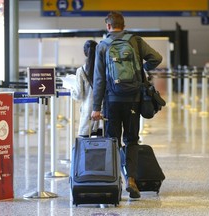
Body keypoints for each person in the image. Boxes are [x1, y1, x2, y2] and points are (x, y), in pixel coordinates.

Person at [91, 11, 162, 199]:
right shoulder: (135, 41)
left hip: (112, 101)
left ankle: (115, 182)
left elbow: (99, 80)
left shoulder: (103, 46)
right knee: (131, 140)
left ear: (108, 26)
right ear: (123, 24)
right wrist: (141, 70)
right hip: (133, 99)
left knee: (113, 140)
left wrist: (96, 108)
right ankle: (131, 179)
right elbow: (157, 58)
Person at [71, 40, 99, 137]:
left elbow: (79, 95)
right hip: (103, 112)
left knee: (86, 142)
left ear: (85, 52)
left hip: (88, 112)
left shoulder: (81, 70)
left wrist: (71, 89)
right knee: (105, 143)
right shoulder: (104, 68)